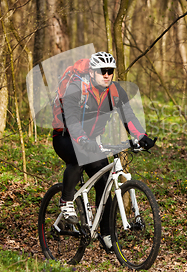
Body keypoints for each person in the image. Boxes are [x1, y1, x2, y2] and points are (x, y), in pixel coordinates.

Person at [52, 51, 155, 249]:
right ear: (92, 72)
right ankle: (66, 201)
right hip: (64, 137)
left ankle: (106, 235)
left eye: (110, 71)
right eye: (102, 71)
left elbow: (128, 116)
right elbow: (72, 119)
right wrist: (81, 139)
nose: (106, 75)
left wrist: (141, 137)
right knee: (77, 158)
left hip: (89, 140)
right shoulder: (77, 88)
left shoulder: (115, 91)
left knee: (105, 183)